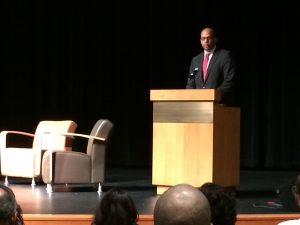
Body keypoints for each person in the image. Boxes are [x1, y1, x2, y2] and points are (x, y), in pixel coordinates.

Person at [186, 26, 237, 105]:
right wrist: (190, 98)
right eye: (203, 38)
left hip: (218, 104)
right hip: (198, 105)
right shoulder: (195, 60)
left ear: (215, 40)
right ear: (200, 41)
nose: (206, 41)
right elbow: (191, 80)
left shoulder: (225, 56)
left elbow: (229, 80)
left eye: (208, 38)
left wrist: (214, 96)